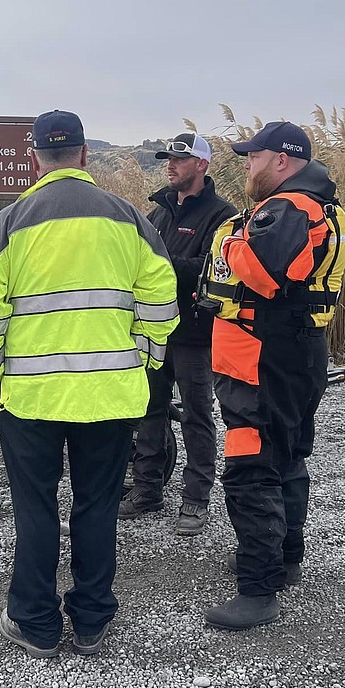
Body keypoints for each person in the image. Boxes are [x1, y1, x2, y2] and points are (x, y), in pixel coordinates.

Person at [0, 110, 178, 658]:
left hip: (30, 398)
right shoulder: (132, 220)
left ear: (35, 158)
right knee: (97, 507)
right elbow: (162, 304)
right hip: (110, 396)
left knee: (35, 510)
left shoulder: (8, 222)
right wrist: (141, 362)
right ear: (84, 155)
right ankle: (92, 617)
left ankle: (34, 621)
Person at [200, 121, 345, 630]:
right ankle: (285, 559)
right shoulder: (315, 204)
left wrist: (227, 243)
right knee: (286, 454)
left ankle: (258, 588)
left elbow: (261, 274)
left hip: (262, 355)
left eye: (253, 157)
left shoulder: (289, 207)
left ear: (281, 160)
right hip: (292, 350)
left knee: (251, 465)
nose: (247, 166)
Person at [119, 133, 237, 535]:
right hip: (155, 329)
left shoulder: (224, 215)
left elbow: (215, 267)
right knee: (149, 410)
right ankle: (148, 489)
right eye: (167, 158)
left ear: (202, 165)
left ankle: (196, 496)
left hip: (196, 335)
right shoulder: (159, 212)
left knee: (197, 414)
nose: (170, 165)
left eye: (179, 160)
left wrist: (161, 264)